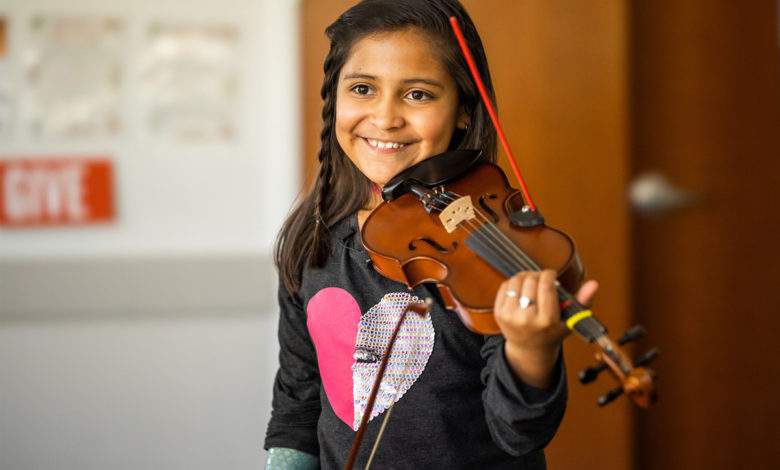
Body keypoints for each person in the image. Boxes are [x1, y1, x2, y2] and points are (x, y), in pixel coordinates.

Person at [264, 1, 598, 468]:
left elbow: (517, 434)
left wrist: (530, 351)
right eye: (362, 89)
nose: (385, 118)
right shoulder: (312, 240)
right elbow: (298, 399)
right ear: (334, 98)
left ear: (463, 110)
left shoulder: (487, 258)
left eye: (418, 95)